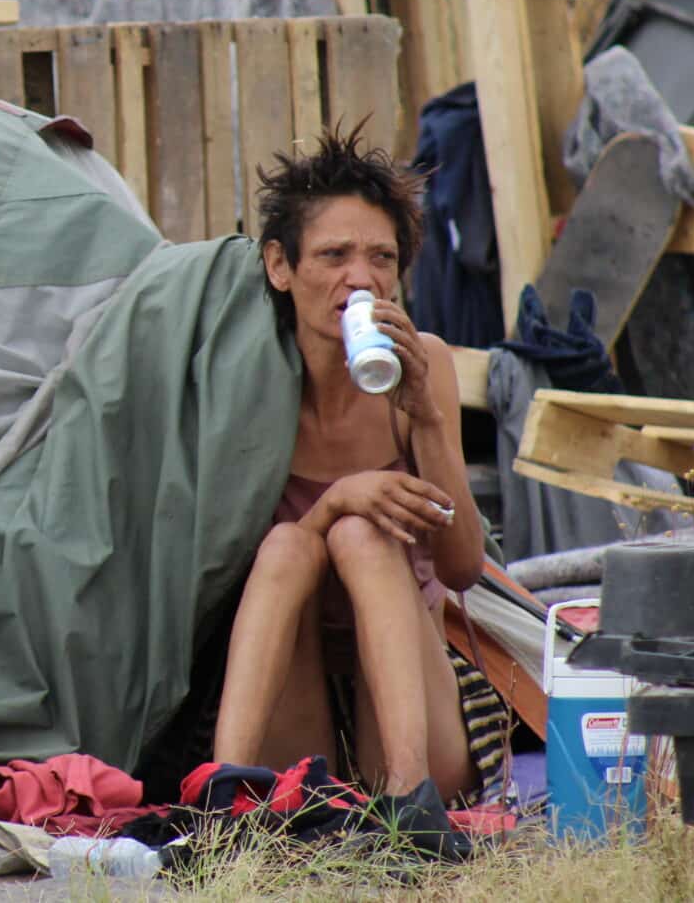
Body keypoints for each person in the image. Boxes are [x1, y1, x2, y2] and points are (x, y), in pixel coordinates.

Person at [211, 125, 485, 859]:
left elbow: (461, 569)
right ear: (280, 266)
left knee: (364, 534)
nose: (358, 279)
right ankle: (221, 802)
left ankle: (407, 812)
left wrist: (423, 413)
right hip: (296, 714)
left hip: (405, 710)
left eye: (381, 259)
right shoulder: (250, 379)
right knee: (288, 542)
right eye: (333, 255)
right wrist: (335, 498)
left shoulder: (422, 364)